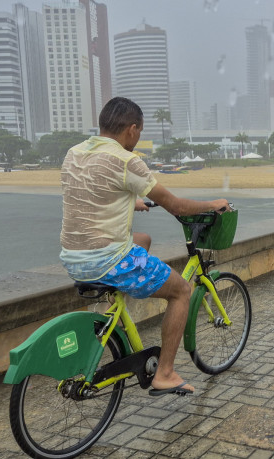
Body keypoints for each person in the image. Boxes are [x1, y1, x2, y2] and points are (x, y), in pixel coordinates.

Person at [60, 97, 229, 396]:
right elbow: (175, 205)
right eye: (139, 132)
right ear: (132, 130)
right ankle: (164, 373)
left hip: (74, 257)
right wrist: (212, 204)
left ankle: (120, 311)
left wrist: (129, 200)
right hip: (107, 260)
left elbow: (94, 191)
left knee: (143, 241)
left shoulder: (74, 153)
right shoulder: (126, 160)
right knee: (181, 291)